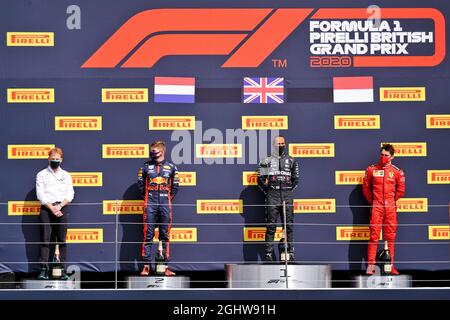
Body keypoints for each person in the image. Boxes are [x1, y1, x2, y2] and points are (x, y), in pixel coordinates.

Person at [363, 143, 405, 275]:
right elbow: (366, 188)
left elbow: (401, 191)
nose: (383, 157)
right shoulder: (371, 169)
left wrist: (390, 202)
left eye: (386, 155)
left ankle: (390, 266)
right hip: (377, 206)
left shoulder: (397, 172)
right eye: (381, 154)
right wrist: (374, 202)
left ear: (392, 156)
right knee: (374, 236)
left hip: (390, 207)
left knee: (390, 237)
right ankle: (371, 266)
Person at [138, 141, 179, 276]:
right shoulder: (145, 167)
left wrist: (165, 198)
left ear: (163, 151)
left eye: (155, 152)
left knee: (165, 235)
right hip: (149, 203)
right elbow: (141, 186)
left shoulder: (172, 167)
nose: (153, 155)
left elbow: (175, 188)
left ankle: (164, 266)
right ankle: (146, 266)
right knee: (147, 234)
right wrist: (149, 198)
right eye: (152, 152)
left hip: (165, 204)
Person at [257, 135, 299, 262]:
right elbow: (260, 179)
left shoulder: (291, 160)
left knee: (289, 226)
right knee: (271, 226)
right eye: (278, 143)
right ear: (273, 145)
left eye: (282, 143)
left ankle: (290, 252)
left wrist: (287, 192)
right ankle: (268, 254)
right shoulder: (266, 160)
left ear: (285, 144)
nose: (280, 145)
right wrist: (269, 191)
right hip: (272, 195)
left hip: (287, 195)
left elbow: (296, 180)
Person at [36, 147, 74, 280]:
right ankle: (43, 270)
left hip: (62, 208)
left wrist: (60, 206)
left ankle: (62, 270)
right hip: (46, 209)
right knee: (45, 240)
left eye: (57, 159)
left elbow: (70, 194)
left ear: (61, 160)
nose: (55, 161)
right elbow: (40, 194)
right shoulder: (41, 174)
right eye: (53, 159)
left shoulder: (66, 175)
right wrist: (52, 208)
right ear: (48, 159)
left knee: (62, 240)